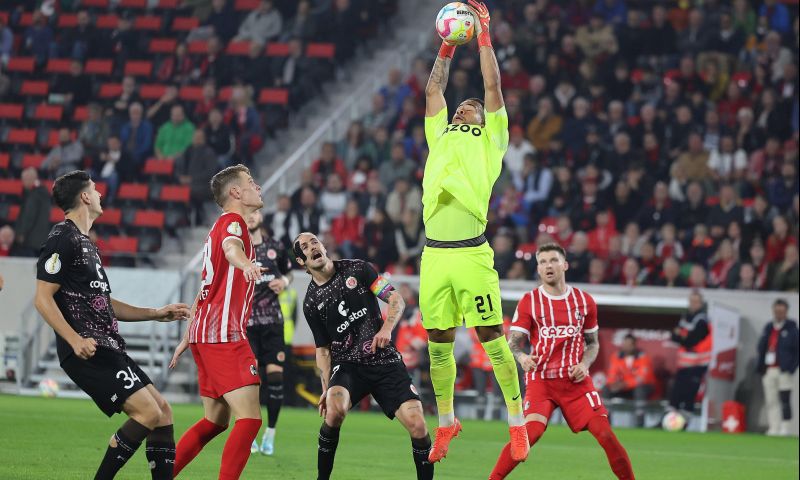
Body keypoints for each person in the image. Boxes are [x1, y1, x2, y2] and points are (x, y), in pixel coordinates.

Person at [421, 0, 528, 462]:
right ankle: (446, 421)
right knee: (438, 346)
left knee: (493, 341)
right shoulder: (440, 134)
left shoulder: (492, 140)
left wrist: (482, 34)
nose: (468, 106)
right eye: (463, 105)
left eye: (474, 107)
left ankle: (518, 423)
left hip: (471, 255)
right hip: (434, 255)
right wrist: (447, 45)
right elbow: (432, 91)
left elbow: (493, 84)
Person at [34, 170, 191, 479]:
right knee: (147, 412)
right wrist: (74, 339)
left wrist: (155, 313)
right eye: (95, 189)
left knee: (162, 413)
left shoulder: (86, 244)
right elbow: (42, 298)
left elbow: (102, 303)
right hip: (87, 349)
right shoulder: (62, 237)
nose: (100, 194)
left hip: (108, 346)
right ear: (85, 197)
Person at [294, 232, 433, 480]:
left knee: (418, 425)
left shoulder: (358, 270)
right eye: (304, 247)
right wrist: (326, 388)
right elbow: (323, 350)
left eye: (314, 241)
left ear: (324, 247)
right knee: (335, 411)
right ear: (301, 262)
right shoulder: (311, 302)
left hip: (384, 360)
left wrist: (386, 329)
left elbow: (396, 299)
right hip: (348, 365)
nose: (312, 247)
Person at [490, 243, 635, 479]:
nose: (548, 266)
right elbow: (514, 342)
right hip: (542, 381)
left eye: (553, 260)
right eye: (543, 262)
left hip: (575, 381)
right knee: (530, 434)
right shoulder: (530, 301)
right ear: (538, 269)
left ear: (564, 265)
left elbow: (593, 343)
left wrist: (585, 365)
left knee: (605, 434)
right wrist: (523, 357)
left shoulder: (584, 301)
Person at [169, 165, 265, 479]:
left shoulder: (220, 225)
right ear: (235, 192)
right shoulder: (234, 224)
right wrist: (246, 263)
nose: (257, 187)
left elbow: (206, 286)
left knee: (215, 420)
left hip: (204, 332)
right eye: (251, 182)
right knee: (250, 420)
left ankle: (162, 474)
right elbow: (232, 249)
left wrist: (189, 333)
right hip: (223, 334)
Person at [243, 210, 293, 456]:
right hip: (247, 325)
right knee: (252, 382)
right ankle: (250, 433)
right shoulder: (237, 249)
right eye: (248, 213)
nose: (252, 216)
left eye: (256, 212)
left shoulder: (276, 247)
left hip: (273, 323)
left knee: (275, 378)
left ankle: (270, 433)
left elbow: (289, 273)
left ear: (262, 217)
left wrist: (284, 282)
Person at [756, 299, 799, 436]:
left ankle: (785, 428)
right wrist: (761, 367)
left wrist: (791, 368)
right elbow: (761, 347)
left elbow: (797, 351)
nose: (778, 314)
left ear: (786, 312)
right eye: (776, 311)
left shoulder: (792, 329)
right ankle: (774, 427)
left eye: (781, 311)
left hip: (784, 370)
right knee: (771, 400)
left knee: (784, 400)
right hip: (769, 369)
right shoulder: (769, 327)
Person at [668, 291, 712, 416]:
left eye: (696, 302)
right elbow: (674, 336)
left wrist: (681, 336)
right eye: (691, 301)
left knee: (690, 393)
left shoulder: (702, 319)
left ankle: (686, 421)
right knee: (676, 391)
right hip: (684, 363)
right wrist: (682, 337)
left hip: (698, 363)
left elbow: (693, 340)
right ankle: (670, 418)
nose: (693, 304)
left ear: (701, 303)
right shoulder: (685, 317)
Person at [603, 334, 657, 427]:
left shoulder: (642, 356)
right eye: (624, 344)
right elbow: (611, 374)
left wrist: (624, 384)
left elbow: (641, 378)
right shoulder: (616, 356)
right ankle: (605, 419)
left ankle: (639, 421)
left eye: (628, 345)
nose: (625, 347)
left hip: (644, 386)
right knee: (607, 389)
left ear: (634, 345)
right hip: (624, 388)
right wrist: (613, 384)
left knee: (639, 390)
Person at [15, 167, 51, 257]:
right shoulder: (43, 192)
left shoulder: (34, 194)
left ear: (30, 179)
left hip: (31, 240)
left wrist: (21, 233)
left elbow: (28, 216)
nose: (22, 183)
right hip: (41, 239)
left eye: (23, 180)